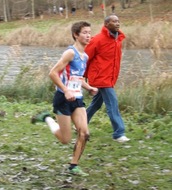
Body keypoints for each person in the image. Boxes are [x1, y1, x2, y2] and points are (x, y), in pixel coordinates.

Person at [32, 21, 98, 177]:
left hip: (77, 99)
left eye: (90, 32)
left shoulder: (85, 56)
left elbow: (78, 77)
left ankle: (73, 166)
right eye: (85, 33)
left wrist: (88, 87)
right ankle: (47, 118)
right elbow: (53, 73)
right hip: (63, 98)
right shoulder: (70, 53)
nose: (88, 35)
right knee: (65, 139)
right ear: (76, 34)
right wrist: (66, 90)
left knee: (84, 133)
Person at [84, 14, 130, 143]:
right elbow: (85, 58)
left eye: (118, 21)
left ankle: (81, 124)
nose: (117, 23)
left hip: (109, 78)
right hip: (100, 77)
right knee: (112, 103)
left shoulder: (118, 40)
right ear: (106, 24)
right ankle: (119, 133)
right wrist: (83, 76)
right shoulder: (97, 40)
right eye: (114, 21)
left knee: (96, 104)